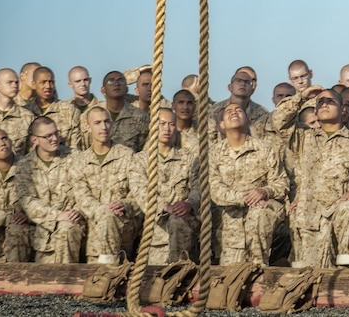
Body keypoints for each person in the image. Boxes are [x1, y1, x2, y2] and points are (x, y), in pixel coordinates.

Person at [289, 89, 349, 267]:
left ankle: (346, 264)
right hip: (310, 218)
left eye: (330, 101)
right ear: (315, 110)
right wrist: (301, 96)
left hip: (341, 218)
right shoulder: (303, 137)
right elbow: (280, 122)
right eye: (320, 102)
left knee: (342, 279)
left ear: (342, 109)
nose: (325, 104)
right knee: (308, 278)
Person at [210, 102, 288, 266]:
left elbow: (282, 183)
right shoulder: (214, 153)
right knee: (231, 277)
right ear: (222, 125)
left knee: (258, 270)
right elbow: (215, 189)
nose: (234, 112)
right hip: (231, 224)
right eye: (228, 111)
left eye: (239, 110)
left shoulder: (266, 148)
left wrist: (263, 191)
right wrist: (246, 197)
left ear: (249, 120)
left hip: (262, 215)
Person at [68, 106, 141, 264]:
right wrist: (103, 210)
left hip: (123, 226)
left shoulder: (127, 155)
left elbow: (139, 194)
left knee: (109, 219)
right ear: (88, 127)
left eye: (107, 121)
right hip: (93, 232)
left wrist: (125, 204)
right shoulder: (80, 161)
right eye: (98, 122)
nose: (104, 127)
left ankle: (106, 274)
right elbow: (82, 197)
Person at [132, 108, 203, 264]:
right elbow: (140, 191)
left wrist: (189, 204)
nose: (167, 129)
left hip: (186, 235)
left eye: (171, 124)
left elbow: (199, 186)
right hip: (156, 238)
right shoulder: (140, 160)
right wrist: (165, 207)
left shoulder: (189, 158)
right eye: (161, 124)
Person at [15, 116, 84, 264]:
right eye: (48, 136)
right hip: (41, 226)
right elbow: (28, 201)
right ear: (35, 140)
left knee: (67, 229)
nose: (54, 139)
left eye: (56, 134)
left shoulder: (74, 157)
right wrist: (57, 215)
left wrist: (75, 211)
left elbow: (84, 189)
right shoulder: (24, 166)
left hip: (73, 222)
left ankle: (66, 283)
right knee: (15, 230)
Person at [0, 129, 31, 262]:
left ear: (10, 142)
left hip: (22, 227)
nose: (2, 143)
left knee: (18, 229)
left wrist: (27, 215)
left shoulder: (27, 165)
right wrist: (7, 218)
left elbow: (36, 195)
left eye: (5, 139)